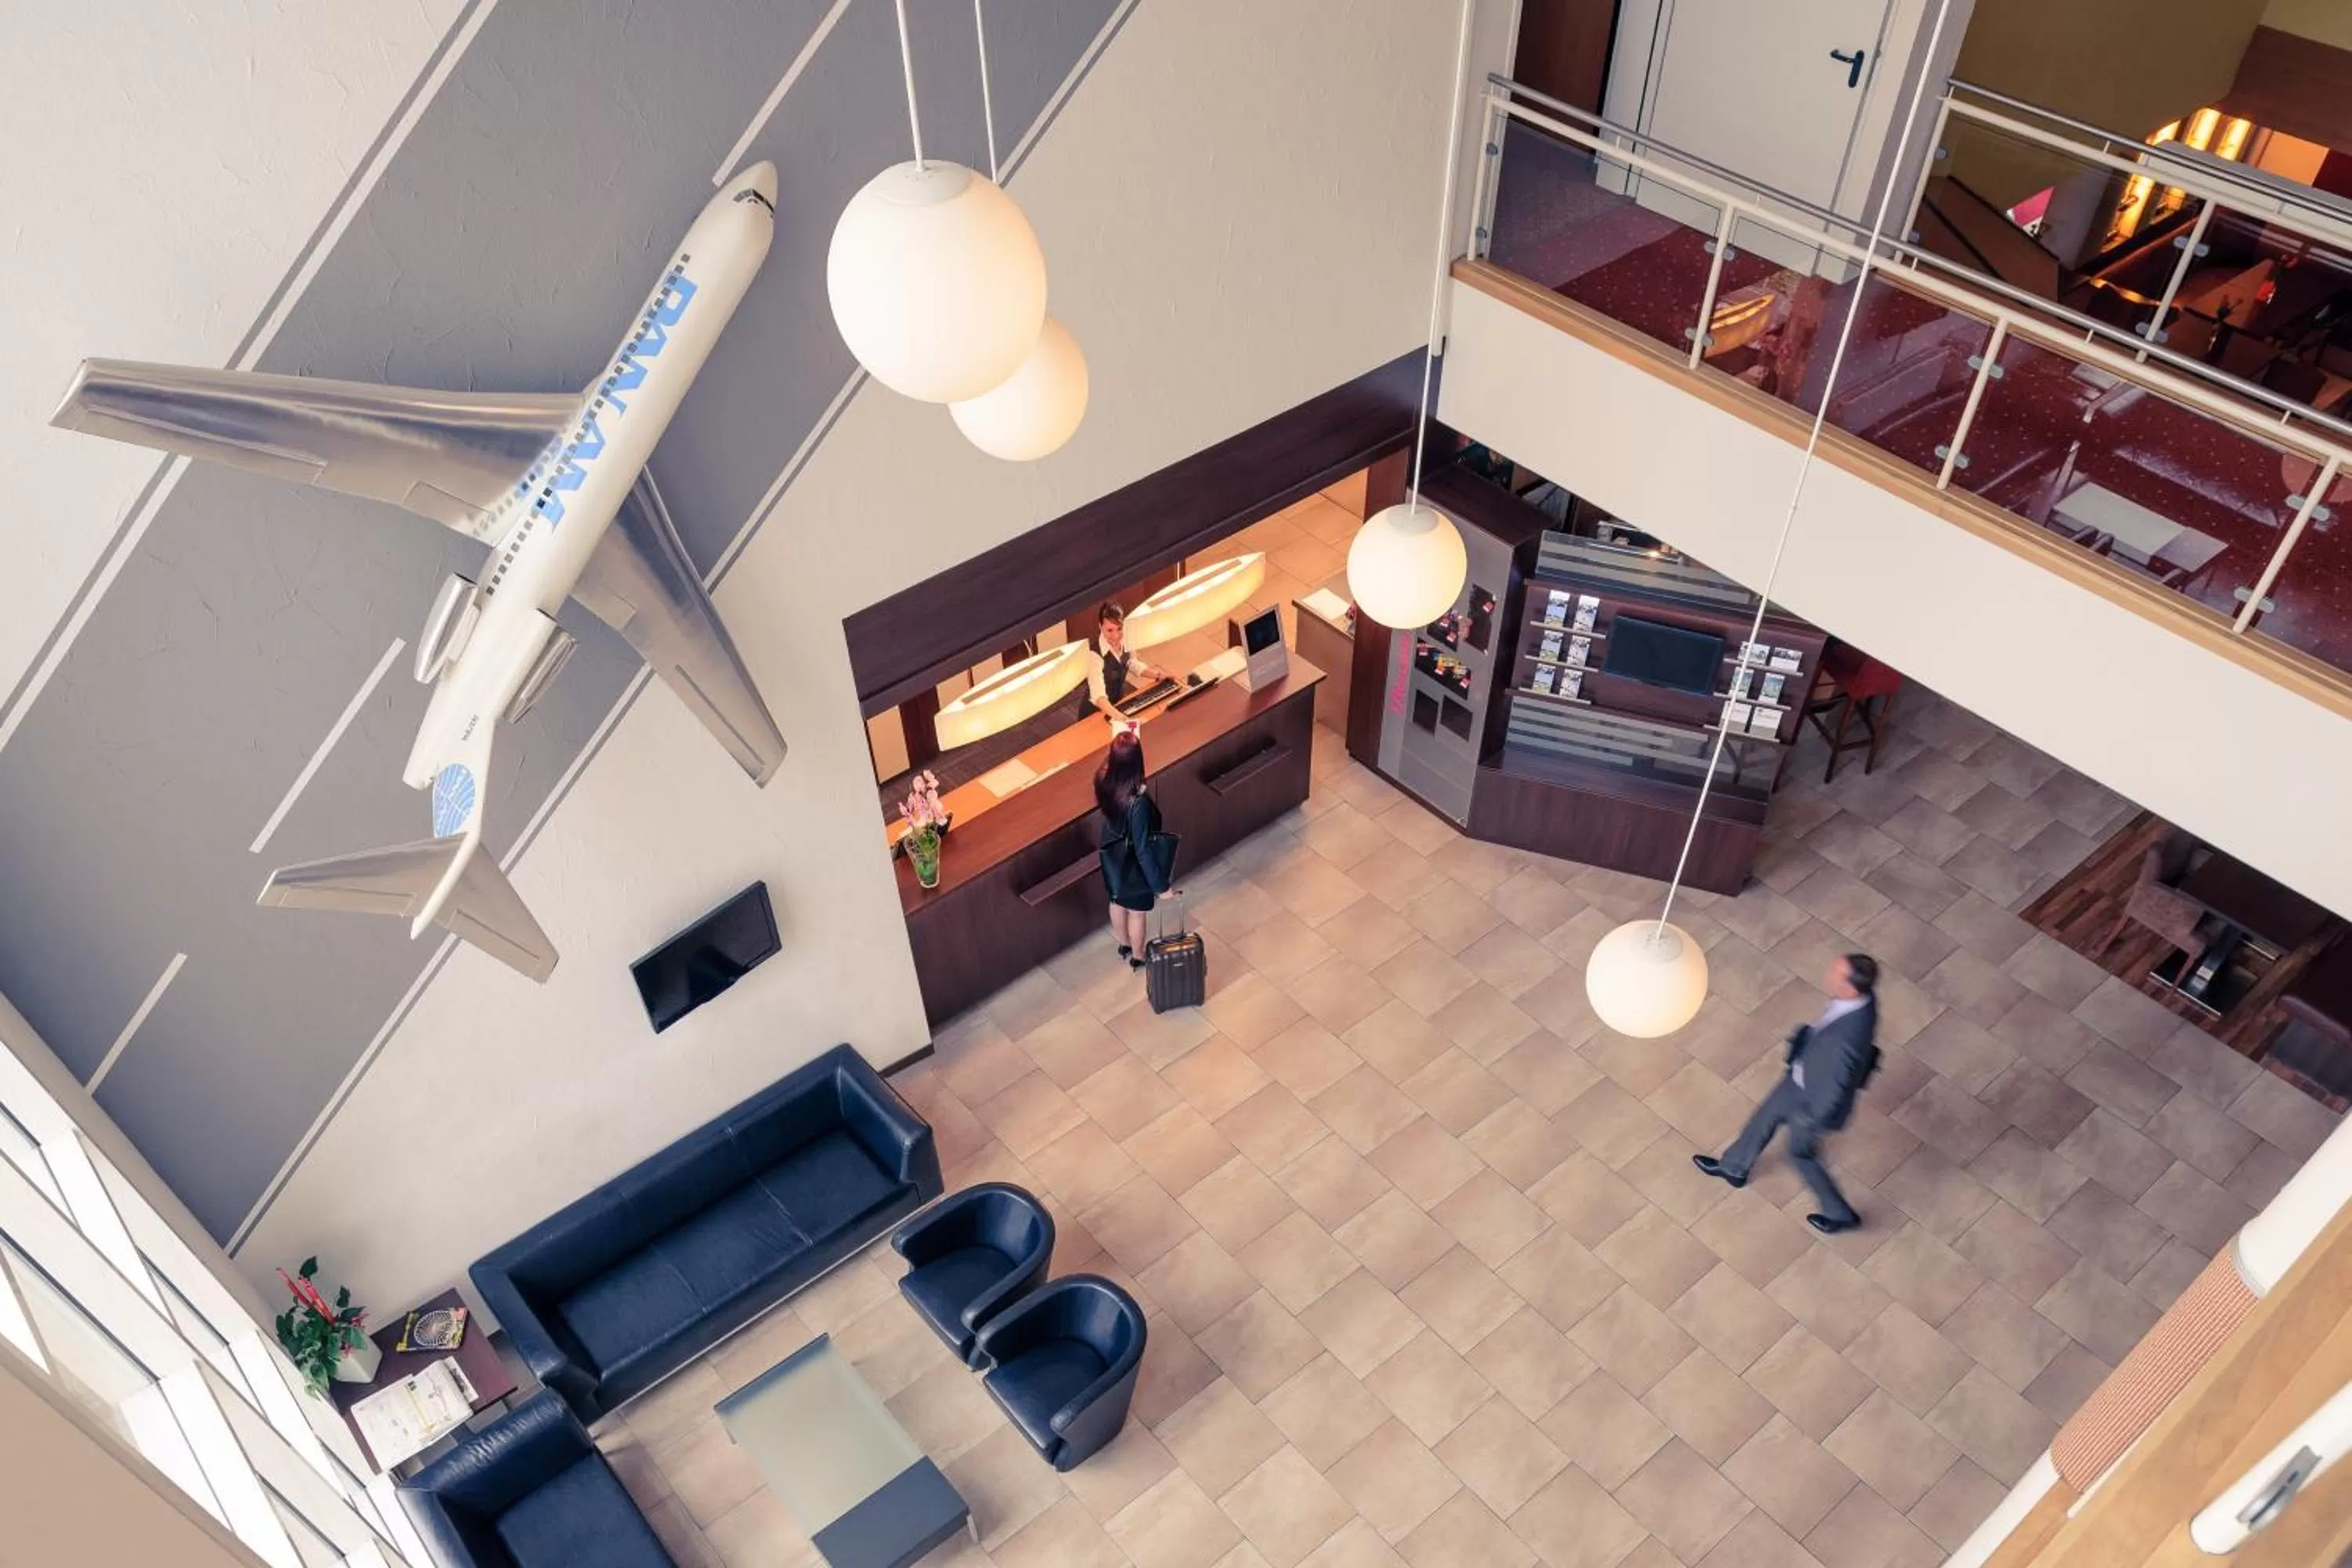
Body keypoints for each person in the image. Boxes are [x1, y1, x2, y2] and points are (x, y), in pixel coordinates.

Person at [1692, 953, 1881, 1234]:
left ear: (1851, 989)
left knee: (1800, 1155)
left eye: (1836, 974)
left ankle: (1840, 1214)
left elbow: (1835, 1088)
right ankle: (1734, 1168)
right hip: (1800, 1080)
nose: (1828, 975)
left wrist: (1810, 1118)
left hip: (1812, 1105)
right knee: (1764, 1118)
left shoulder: (1846, 1041)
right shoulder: (1861, 1000)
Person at [1094, 731, 1176, 970]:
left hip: (1112, 851)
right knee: (1137, 912)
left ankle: (1124, 944)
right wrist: (1161, 886)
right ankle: (1138, 956)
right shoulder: (1137, 802)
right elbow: (1143, 849)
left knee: (1116, 900)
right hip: (1132, 860)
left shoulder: (1102, 778)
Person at [1088, 601, 1164, 718]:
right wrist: (1122, 718)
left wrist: (1159, 675)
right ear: (1100, 626)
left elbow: (1131, 663)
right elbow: (1099, 697)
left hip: (1119, 704)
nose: (1116, 636)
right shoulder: (1094, 655)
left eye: (1119, 629)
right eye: (1110, 630)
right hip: (1096, 712)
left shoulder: (1127, 639)